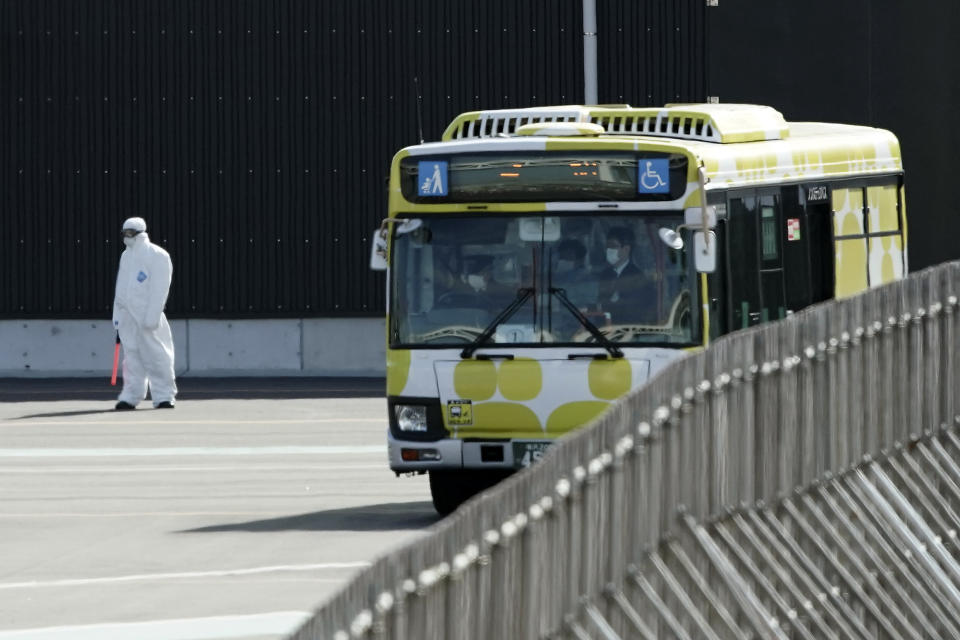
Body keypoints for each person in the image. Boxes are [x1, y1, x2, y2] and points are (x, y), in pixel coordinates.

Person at [111, 217, 177, 410]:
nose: (126, 237)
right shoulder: (126, 256)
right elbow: (121, 287)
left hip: (148, 318)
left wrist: (153, 315)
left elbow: (160, 289)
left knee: (157, 356)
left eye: (130, 233)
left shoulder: (158, 255)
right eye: (124, 233)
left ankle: (164, 395)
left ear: (140, 234)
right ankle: (131, 395)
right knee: (132, 358)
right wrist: (117, 314)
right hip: (128, 318)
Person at [597, 226, 657, 324]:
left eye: (613, 246)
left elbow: (634, 311)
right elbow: (601, 303)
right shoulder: (605, 275)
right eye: (607, 247)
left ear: (626, 249)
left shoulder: (637, 277)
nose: (608, 250)